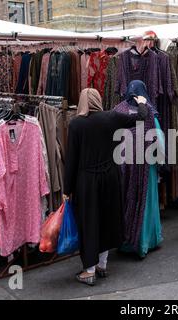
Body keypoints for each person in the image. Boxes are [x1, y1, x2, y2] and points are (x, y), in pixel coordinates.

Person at [63, 88, 148, 286]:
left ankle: (89, 270)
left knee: (90, 223)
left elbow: (72, 161)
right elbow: (141, 117)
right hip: (110, 177)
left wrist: (67, 190)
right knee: (106, 220)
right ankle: (102, 265)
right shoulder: (112, 117)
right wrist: (142, 101)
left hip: (87, 181)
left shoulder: (76, 125)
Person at [114, 80, 163, 258]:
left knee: (127, 200)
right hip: (145, 168)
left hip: (123, 166)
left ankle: (126, 242)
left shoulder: (118, 110)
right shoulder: (149, 111)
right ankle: (145, 241)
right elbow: (159, 141)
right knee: (146, 201)